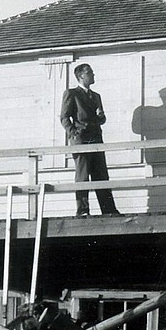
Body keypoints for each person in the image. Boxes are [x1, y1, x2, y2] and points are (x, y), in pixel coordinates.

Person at [60, 63, 120, 216]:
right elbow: (64, 117)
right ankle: (82, 210)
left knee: (101, 175)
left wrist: (101, 116)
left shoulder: (96, 96)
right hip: (81, 141)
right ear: (81, 76)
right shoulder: (72, 93)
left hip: (96, 140)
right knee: (83, 176)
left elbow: (101, 119)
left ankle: (109, 210)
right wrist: (74, 133)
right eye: (90, 73)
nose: (93, 75)